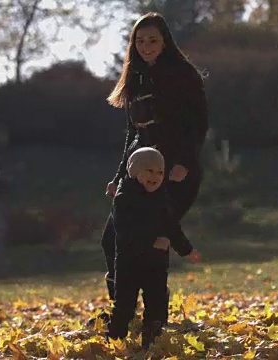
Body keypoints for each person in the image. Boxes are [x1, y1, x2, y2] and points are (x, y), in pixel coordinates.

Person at [91, 12, 209, 326]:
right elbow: (134, 135)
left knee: (156, 240)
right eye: (140, 41)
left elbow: (197, 124)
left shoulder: (183, 74)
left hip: (174, 172)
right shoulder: (136, 76)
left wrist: (183, 161)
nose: (146, 46)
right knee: (112, 239)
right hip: (138, 174)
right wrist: (119, 177)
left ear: (165, 41)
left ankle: (156, 320)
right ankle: (123, 311)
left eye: (153, 40)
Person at [106, 146, 201, 349]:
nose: (155, 176)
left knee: (157, 302)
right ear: (134, 172)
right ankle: (114, 341)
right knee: (124, 305)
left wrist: (186, 250)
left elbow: (171, 226)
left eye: (159, 172)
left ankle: (153, 340)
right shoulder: (125, 198)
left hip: (156, 263)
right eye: (149, 171)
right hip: (129, 262)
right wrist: (151, 241)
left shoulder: (162, 197)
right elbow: (126, 230)